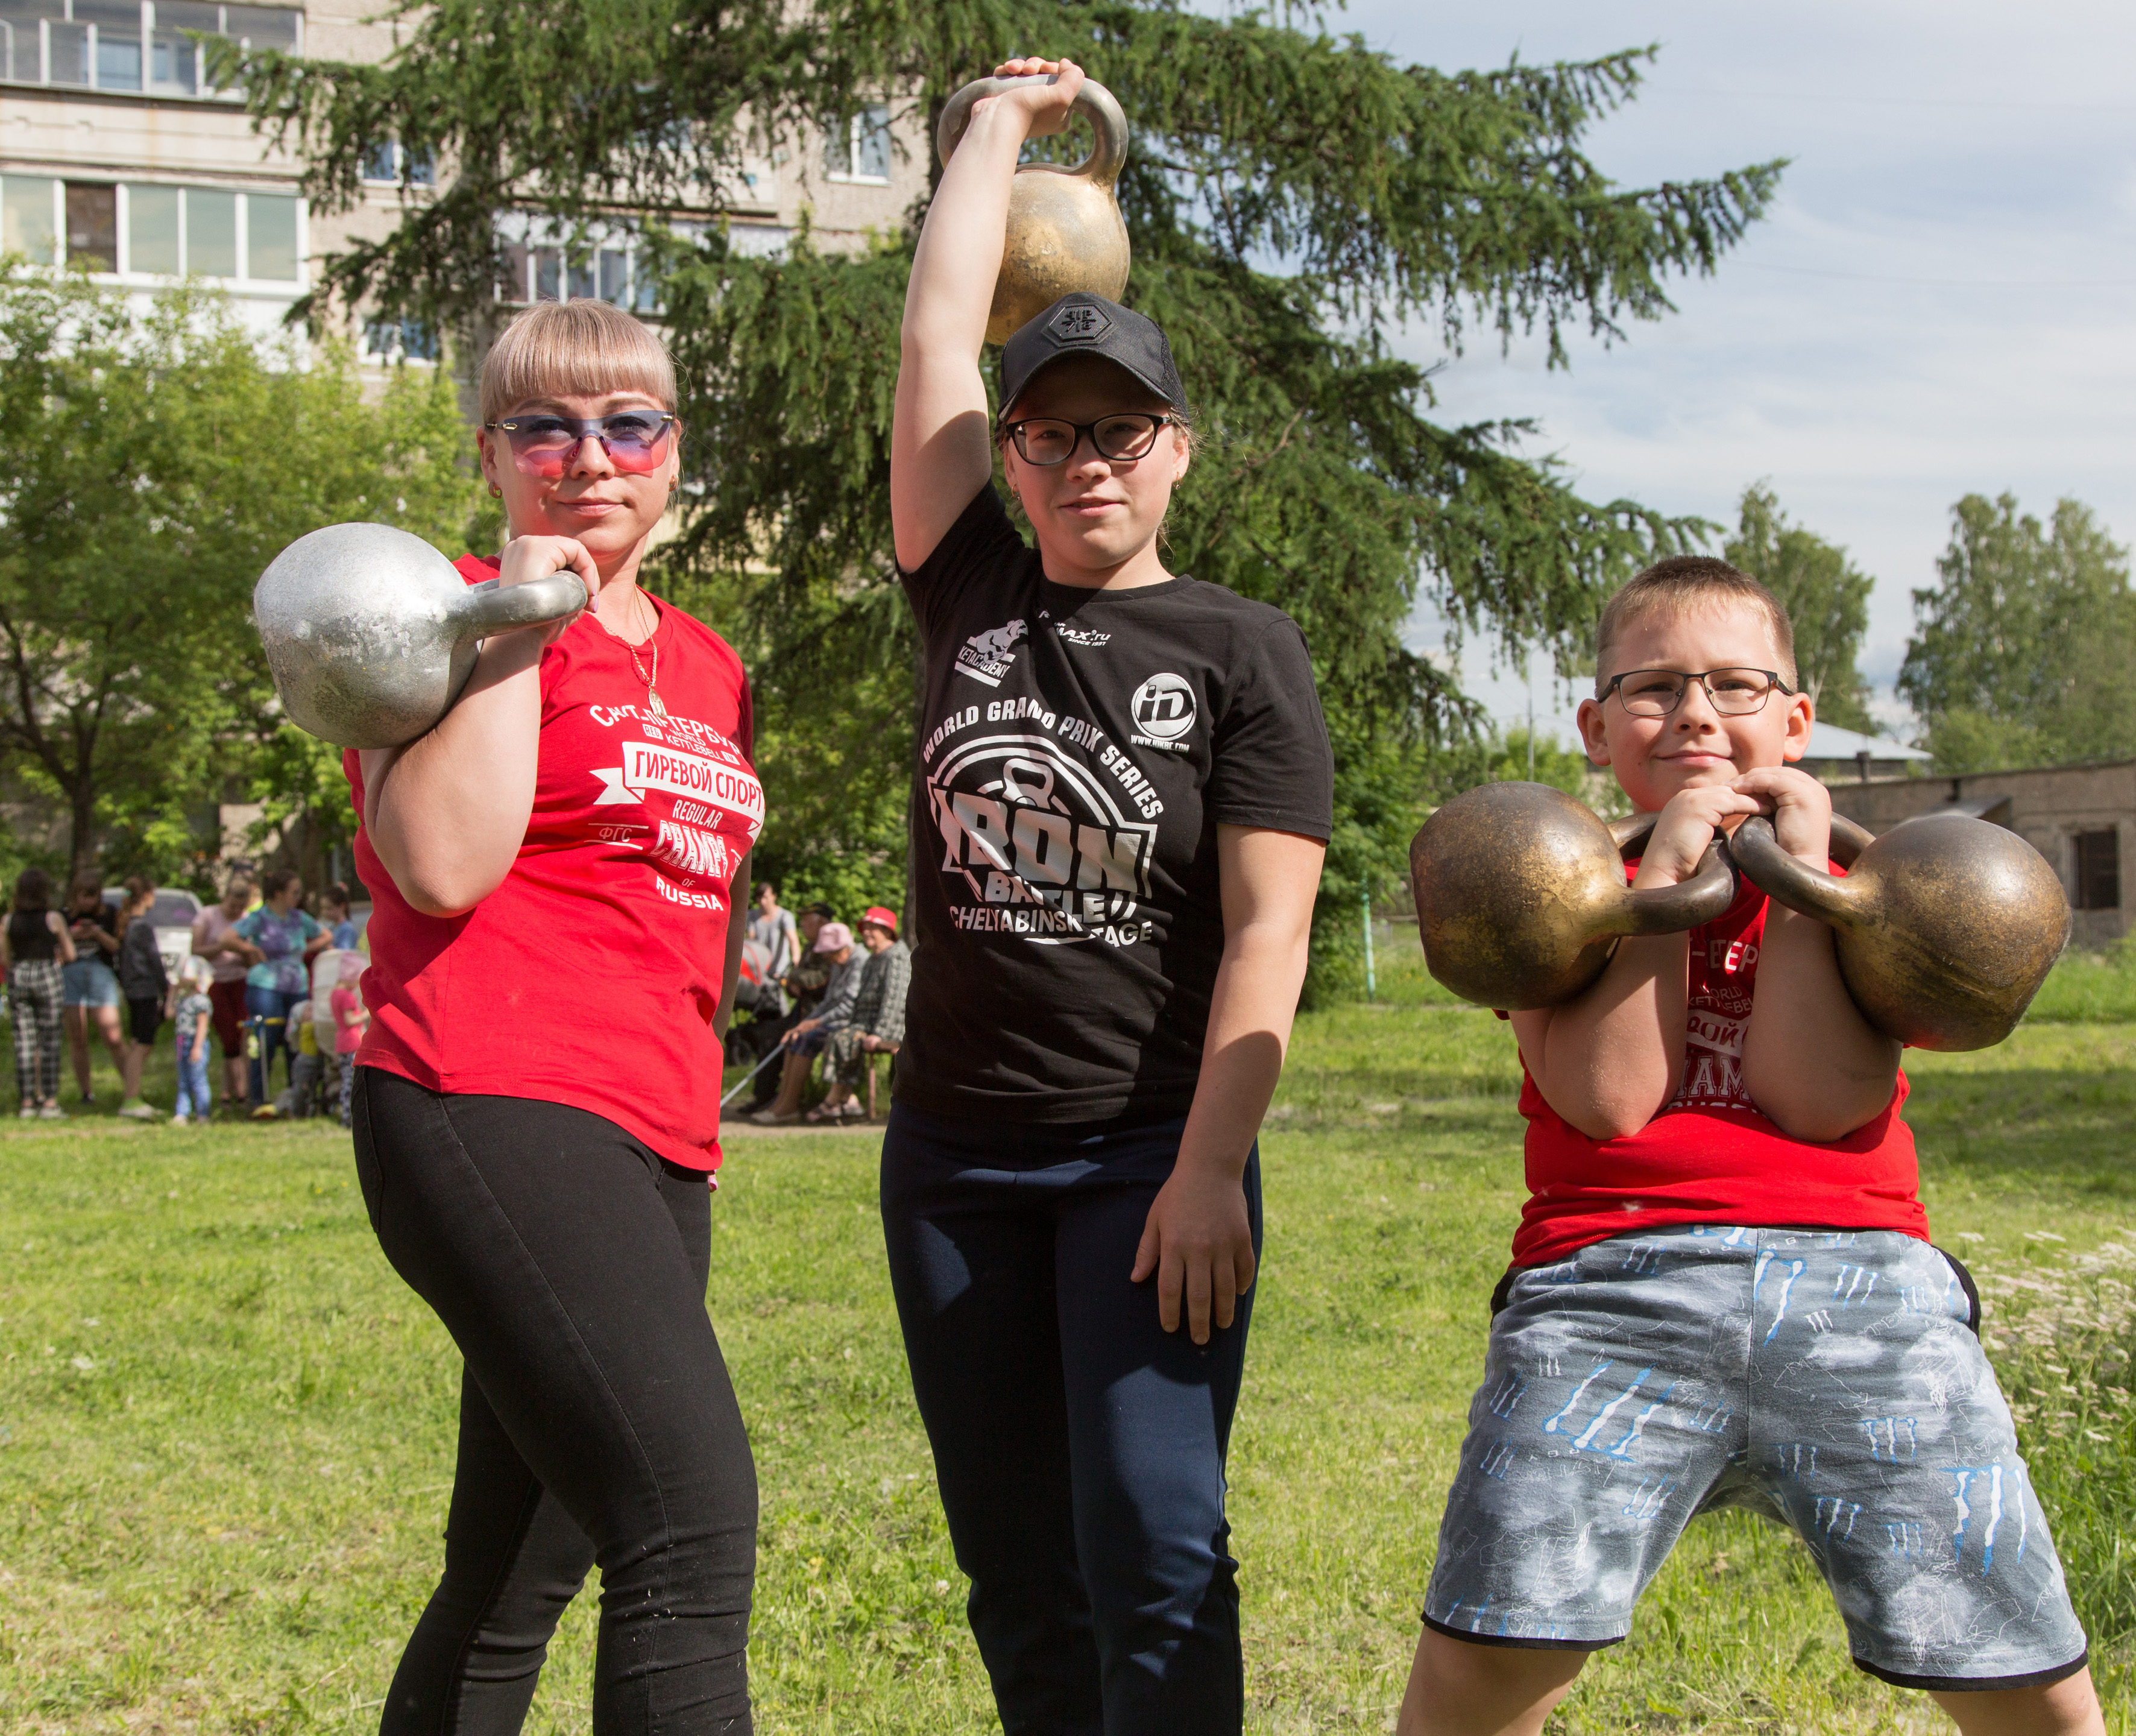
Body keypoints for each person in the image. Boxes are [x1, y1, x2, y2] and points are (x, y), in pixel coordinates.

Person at [1396, 558, 2101, 1736]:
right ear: (1593, 725)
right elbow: (1615, 1102)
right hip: (1608, 1279)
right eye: (1651, 686)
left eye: (1733, 683)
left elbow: (1816, 1098)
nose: (1693, 713)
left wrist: (1807, 863)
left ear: (1794, 719)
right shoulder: (1546, 881)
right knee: (1480, 1671)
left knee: (2021, 1677)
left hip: (1860, 1284)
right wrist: (1663, 874)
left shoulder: (1865, 893)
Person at [885, 57, 1332, 1736]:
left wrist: (1210, 1163)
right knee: (1012, 1556)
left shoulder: (1238, 647)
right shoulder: (967, 593)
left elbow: (1269, 933)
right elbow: (934, 340)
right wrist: (992, 133)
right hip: (951, 1159)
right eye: (1051, 432)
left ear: (1174, 451)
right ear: (1008, 455)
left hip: (1144, 1153)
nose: (1086, 459)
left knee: (1150, 1534)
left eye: (1118, 431)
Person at [346, 297, 761, 1732]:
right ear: (490, 451)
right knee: (688, 1522)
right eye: (545, 425)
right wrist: (527, 616)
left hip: (659, 1133)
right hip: (486, 1092)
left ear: (673, 452)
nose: (590, 457)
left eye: (628, 423)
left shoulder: (713, 668)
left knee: (518, 1566)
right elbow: (444, 863)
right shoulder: (428, 610)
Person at [234, 870, 328, 1117]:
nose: (298, 897)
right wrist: (250, 950)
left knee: (296, 1042)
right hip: (265, 985)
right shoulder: (260, 918)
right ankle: (259, 1100)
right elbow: (228, 937)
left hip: (296, 986)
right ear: (278, 893)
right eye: (294, 892)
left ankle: (294, 1100)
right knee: (265, 1041)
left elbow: (326, 935)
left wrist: (301, 950)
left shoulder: (299, 918)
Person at [749, 920, 861, 1126]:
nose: (827, 958)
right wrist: (805, 1023)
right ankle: (781, 1104)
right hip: (834, 1018)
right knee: (796, 1037)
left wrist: (813, 1024)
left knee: (805, 1040)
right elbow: (828, 1001)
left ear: (841, 948)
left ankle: (789, 1107)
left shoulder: (858, 961)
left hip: (852, 1022)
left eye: (829, 954)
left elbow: (848, 1006)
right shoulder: (838, 962)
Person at [811, 906, 909, 1123]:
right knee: (839, 1035)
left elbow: (895, 1000)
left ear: (887, 931)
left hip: (891, 1027)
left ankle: (835, 1100)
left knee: (844, 1039)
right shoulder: (874, 958)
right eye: (865, 928)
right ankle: (848, 1100)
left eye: (872, 928)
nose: (866, 933)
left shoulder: (897, 957)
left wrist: (879, 1034)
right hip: (866, 1024)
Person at [4, 868, 74, 1118]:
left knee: (23, 1041)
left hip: (19, 974)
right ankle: (49, 1101)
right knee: (50, 1040)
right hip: (47, 974)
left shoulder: (8, 921)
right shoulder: (53, 918)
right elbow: (71, 954)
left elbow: (5, 958)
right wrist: (57, 962)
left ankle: (26, 1102)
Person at [194, 877, 259, 1113]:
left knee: (241, 1034)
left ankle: (235, 1092)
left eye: (240, 908)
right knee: (228, 1036)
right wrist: (223, 946)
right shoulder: (207, 916)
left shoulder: (245, 921)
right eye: (232, 906)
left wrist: (244, 951)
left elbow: (250, 957)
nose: (235, 912)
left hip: (240, 980)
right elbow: (196, 950)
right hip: (215, 981)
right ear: (225, 898)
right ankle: (234, 1092)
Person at [61, 876, 125, 1107]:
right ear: (75, 895)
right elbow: (57, 949)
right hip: (71, 975)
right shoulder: (64, 916)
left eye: (93, 895)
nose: (88, 901)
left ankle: (131, 1088)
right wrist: (73, 936)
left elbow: (117, 946)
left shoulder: (109, 914)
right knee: (78, 1038)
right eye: (84, 896)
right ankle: (86, 1093)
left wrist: (97, 933)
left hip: (100, 972)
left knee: (113, 1036)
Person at [114, 876, 168, 1119]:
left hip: (132, 990)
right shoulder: (142, 927)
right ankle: (131, 1098)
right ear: (146, 896)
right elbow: (154, 960)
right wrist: (166, 989)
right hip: (145, 990)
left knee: (138, 1042)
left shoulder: (127, 926)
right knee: (142, 1045)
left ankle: (132, 1095)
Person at [169, 957, 214, 1125]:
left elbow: (203, 1026)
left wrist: (197, 1047)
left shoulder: (201, 1001)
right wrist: (173, 992)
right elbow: (169, 1014)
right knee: (183, 1080)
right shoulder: (183, 999)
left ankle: (203, 1114)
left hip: (195, 1043)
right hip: (181, 1042)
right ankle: (182, 1113)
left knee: (198, 1080)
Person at [745, 882, 799, 1012]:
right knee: (759, 1004)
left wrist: (796, 962)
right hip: (760, 969)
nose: (763, 902)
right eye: (760, 898)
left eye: (766, 897)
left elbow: (793, 940)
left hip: (779, 970)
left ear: (774, 896)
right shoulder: (752, 916)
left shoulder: (785, 916)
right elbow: (751, 943)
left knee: (779, 1003)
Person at [328, 950, 366, 1129]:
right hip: (352, 1042)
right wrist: (368, 1012)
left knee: (346, 1080)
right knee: (352, 1083)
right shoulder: (347, 997)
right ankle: (349, 1117)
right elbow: (350, 1020)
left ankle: (345, 1115)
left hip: (340, 1041)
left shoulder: (335, 993)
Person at [323, 882, 361, 950]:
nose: (324, 912)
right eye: (323, 908)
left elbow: (343, 954)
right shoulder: (331, 927)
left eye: (329, 908)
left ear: (342, 906)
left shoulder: (347, 929)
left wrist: (324, 943)